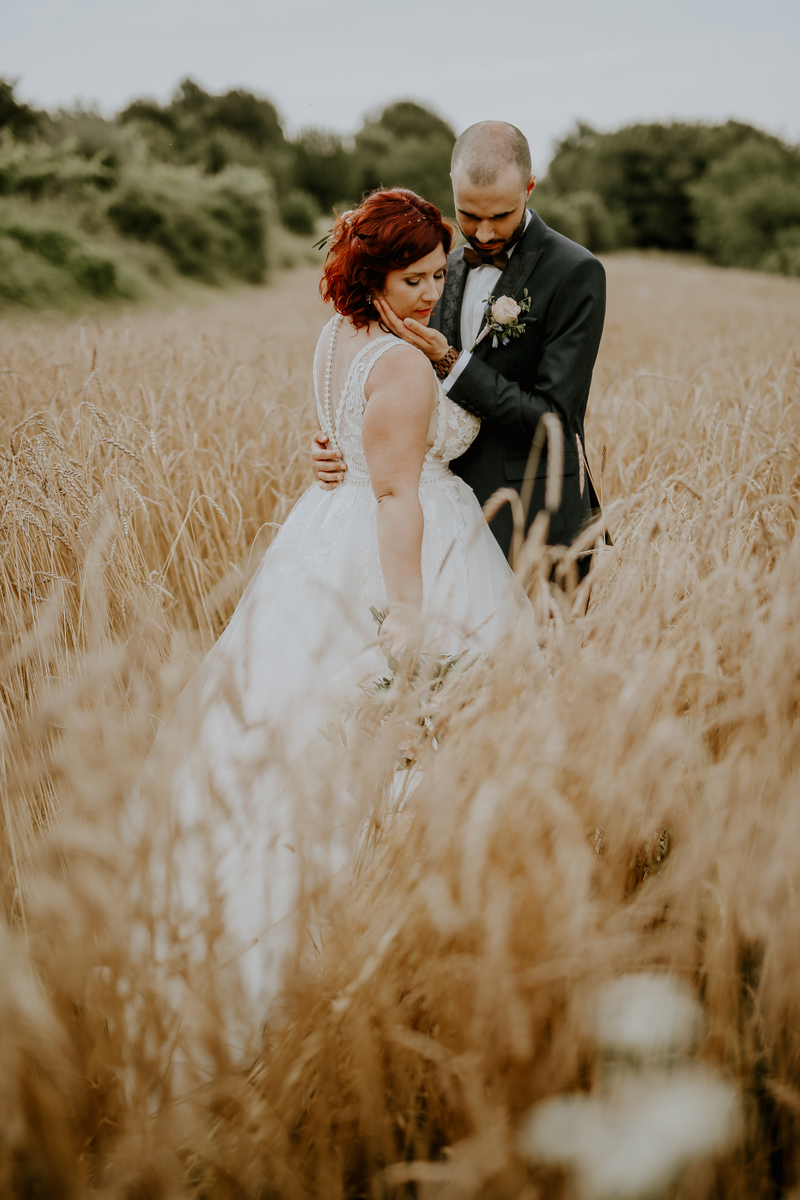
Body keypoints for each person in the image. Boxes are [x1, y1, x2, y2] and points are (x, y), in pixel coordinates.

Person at [146, 188, 535, 1016]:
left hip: (323, 532)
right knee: (398, 739)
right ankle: (380, 938)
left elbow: (347, 437)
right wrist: (408, 614)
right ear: (372, 274)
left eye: (439, 275)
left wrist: (331, 453)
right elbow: (395, 495)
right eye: (413, 279)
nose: (431, 292)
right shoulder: (400, 362)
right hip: (408, 549)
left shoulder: (336, 334)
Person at [312, 122, 606, 568]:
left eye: (500, 216)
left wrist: (449, 361)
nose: (483, 234)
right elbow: (389, 396)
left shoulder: (575, 272)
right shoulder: (436, 269)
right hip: (440, 524)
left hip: (536, 519)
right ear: (452, 186)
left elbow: (552, 419)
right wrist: (340, 451)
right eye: (468, 215)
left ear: (529, 188)